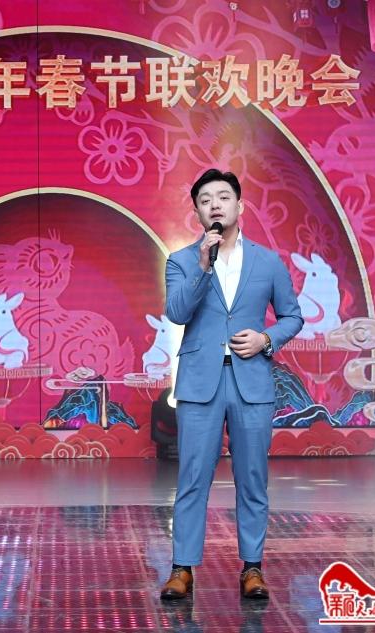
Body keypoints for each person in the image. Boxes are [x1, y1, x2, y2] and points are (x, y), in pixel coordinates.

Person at [160, 169, 302, 601]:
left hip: (251, 380)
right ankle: (182, 569)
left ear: (240, 206)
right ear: (198, 213)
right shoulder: (182, 260)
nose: (215, 205)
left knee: (252, 478)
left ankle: (252, 567)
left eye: (223, 197)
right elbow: (177, 313)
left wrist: (266, 339)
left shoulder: (268, 261)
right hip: (200, 383)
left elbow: (293, 316)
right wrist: (203, 266)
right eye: (206, 200)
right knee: (192, 478)